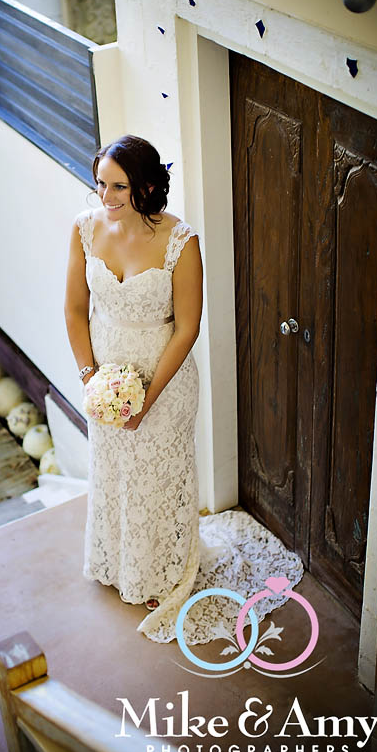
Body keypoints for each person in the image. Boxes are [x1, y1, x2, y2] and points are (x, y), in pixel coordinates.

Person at [65, 135, 303, 645]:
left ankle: (166, 573)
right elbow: (74, 309)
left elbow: (187, 328)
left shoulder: (181, 241)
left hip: (165, 382)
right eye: (101, 183)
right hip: (105, 381)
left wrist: (146, 400)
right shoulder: (84, 229)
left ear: (147, 187)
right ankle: (120, 564)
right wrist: (91, 379)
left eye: (119, 187)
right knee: (114, 470)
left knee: (158, 476)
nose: (105, 196)